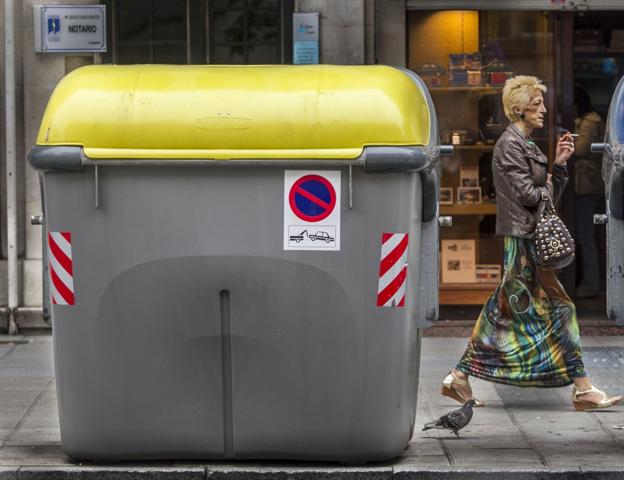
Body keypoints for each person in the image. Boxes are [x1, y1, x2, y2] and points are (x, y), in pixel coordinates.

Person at [441, 76, 621, 411]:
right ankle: (582, 389)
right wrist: (550, 181)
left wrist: (558, 166)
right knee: (556, 308)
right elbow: (529, 195)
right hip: (524, 239)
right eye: (536, 103)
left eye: (542, 102)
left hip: (527, 236)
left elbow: (543, 195)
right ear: (518, 108)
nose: (543, 109)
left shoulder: (525, 143)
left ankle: (459, 377)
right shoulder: (510, 144)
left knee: (506, 309)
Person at [573, 85, 606, 299]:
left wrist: (568, 137)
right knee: (584, 234)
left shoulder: (589, 123)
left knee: (585, 235)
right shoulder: (589, 121)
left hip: (586, 184)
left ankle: (590, 283)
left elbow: (580, 149)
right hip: (586, 183)